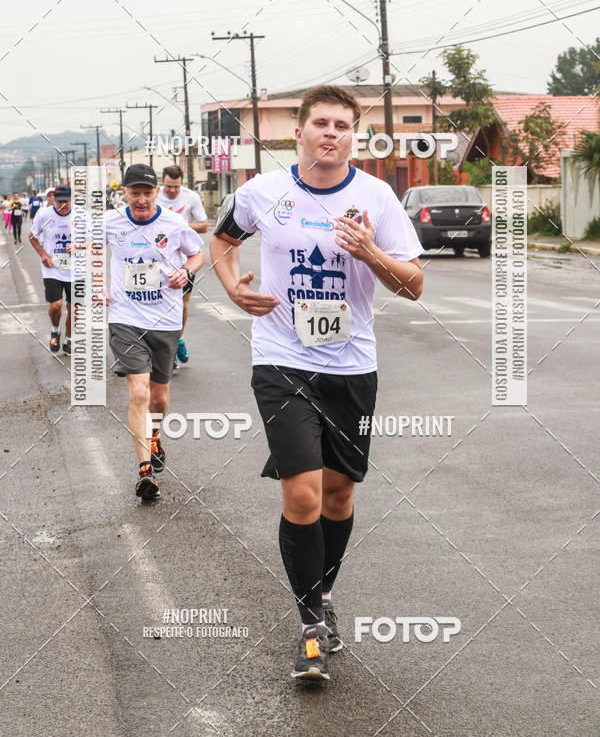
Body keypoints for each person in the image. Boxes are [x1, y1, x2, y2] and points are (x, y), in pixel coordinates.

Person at [210, 85, 424, 680]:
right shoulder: (261, 192)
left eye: (343, 125)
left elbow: (413, 285)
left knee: (338, 495)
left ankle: (323, 593)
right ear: (298, 132)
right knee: (302, 493)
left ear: (354, 135)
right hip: (281, 361)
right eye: (321, 123)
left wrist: (371, 253)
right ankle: (310, 622)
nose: (332, 133)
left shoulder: (376, 197)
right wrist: (233, 288)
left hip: (351, 367)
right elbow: (222, 240)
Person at [105, 163, 204, 500]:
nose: (142, 199)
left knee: (159, 398)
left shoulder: (174, 224)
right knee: (139, 392)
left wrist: (186, 272)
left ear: (157, 192)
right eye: (135, 193)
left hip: (165, 319)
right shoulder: (111, 222)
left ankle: (155, 435)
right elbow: (88, 248)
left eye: (147, 192)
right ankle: (145, 471)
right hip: (125, 317)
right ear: (124, 193)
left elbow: (198, 254)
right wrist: (97, 283)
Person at [157, 165, 208, 366]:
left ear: (182, 183)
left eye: (176, 187)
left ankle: (178, 338)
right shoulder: (154, 196)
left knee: (182, 304)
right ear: (162, 182)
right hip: (158, 259)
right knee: (158, 303)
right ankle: (163, 349)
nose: (172, 190)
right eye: (168, 186)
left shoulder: (190, 197)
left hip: (183, 261)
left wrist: (179, 227)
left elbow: (204, 225)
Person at [29, 184, 73, 353]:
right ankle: (55, 330)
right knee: (56, 305)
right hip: (52, 267)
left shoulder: (82, 215)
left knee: (74, 308)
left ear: (71, 200)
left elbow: (92, 238)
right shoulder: (44, 214)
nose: (63, 205)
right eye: (59, 202)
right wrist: (43, 254)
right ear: (54, 200)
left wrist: (79, 246)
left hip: (76, 269)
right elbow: (32, 236)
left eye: (66, 202)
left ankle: (69, 339)